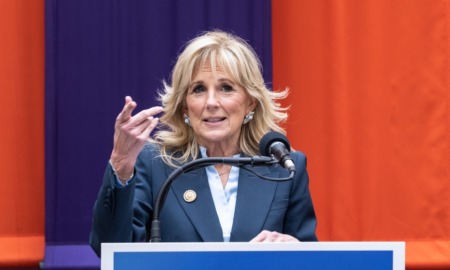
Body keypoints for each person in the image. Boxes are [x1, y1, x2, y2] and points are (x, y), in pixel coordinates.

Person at [89, 30, 317, 257]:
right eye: (198, 89)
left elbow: (312, 258)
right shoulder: (155, 164)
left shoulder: (284, 167)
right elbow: (110, 249)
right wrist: (120, 164)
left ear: (251, 103)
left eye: (226, 88)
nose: (211, 102)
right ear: (185, 106)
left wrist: (294, 247)